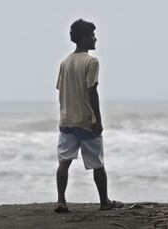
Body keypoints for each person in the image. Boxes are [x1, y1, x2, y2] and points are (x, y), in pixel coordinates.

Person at [54, 19, 122, 213]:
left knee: (64, 162)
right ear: (84, 38)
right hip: (86, 120)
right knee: (97, 163)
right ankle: (104, 201)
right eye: (92, 35)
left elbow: (61, 89)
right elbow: (92, 91)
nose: (95, 39)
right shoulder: (91, 61)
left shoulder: (65, 62)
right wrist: (98, 119)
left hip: (66, 119)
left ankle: (61, 201)